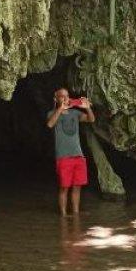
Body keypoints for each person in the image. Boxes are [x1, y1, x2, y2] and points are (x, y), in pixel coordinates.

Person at [46, 88, 95, 216]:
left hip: (78, 155)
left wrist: (87, 107)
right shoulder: (52, 113)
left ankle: (76, 213)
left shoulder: (75, 113)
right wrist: (60, 109)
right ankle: (63, 215)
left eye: (67, 96)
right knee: (64, 187)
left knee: (77, 186)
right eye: (62, 96)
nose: (65, 98)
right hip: (63, 157)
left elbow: (91, 119)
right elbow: (50, 124)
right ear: (56, 99)